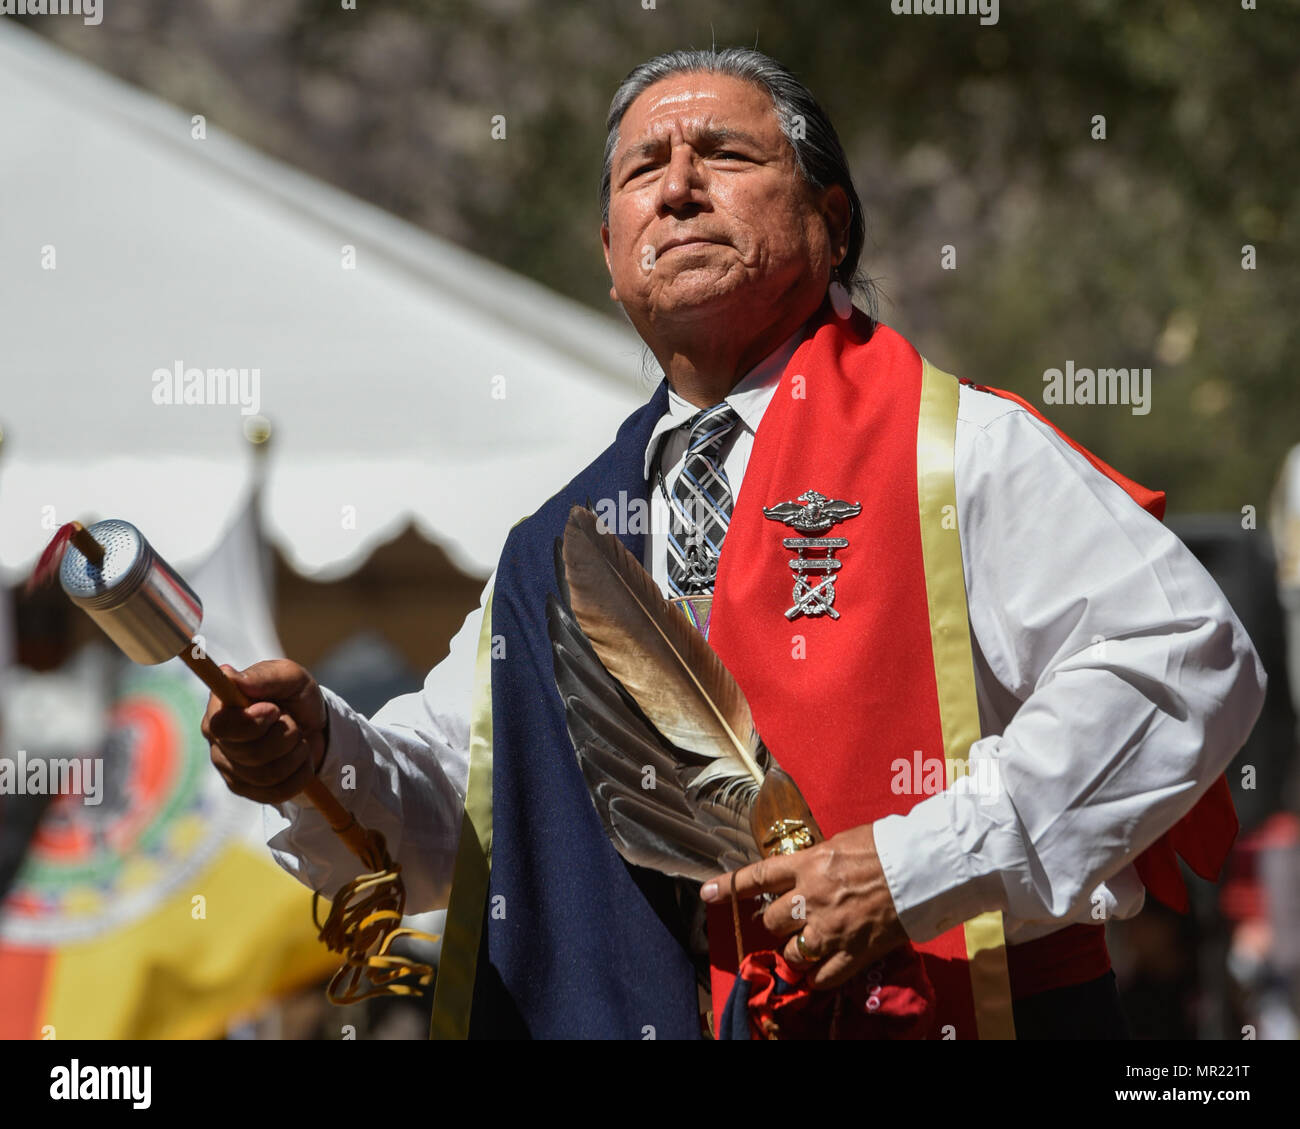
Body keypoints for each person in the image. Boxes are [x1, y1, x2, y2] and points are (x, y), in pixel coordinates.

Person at [202, 47, 1267, 1040]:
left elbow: (1178, 659)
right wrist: (320, 754)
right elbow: (460, 803)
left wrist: (914, 868)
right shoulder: (555, 550)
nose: (675, 189)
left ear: (830, 221)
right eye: (641, 172)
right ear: (611, 257)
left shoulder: (956, 451)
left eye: (724, 155)